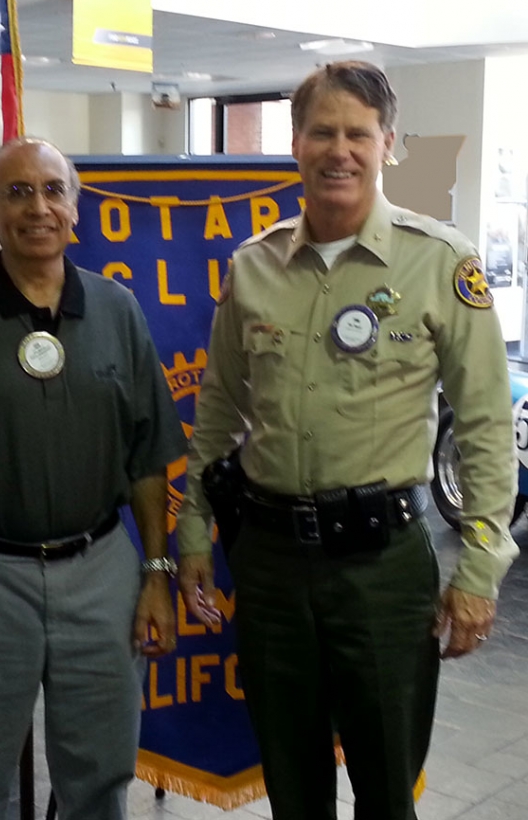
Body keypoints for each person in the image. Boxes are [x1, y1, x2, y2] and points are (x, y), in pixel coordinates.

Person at [177, 61, 518, 820]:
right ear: (295, 143)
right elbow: (218, 413)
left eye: (358, 134)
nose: (340, 151)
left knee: (386, 784)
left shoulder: (440, 263)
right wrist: (194, 531)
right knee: (292, 785)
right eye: (322, 132)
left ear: (387, 144)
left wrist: (481, 567)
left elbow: (487, 426)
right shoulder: (254, 265)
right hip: (269, 565)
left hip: (383, 568)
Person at [0, 137, 186, 820]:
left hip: (101, 569)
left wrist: (157, 574)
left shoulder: (118, 311)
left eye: (52, 190)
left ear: (76, 207)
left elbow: (146, 458)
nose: (37, 207)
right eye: (16, 192)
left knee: (100, 778)